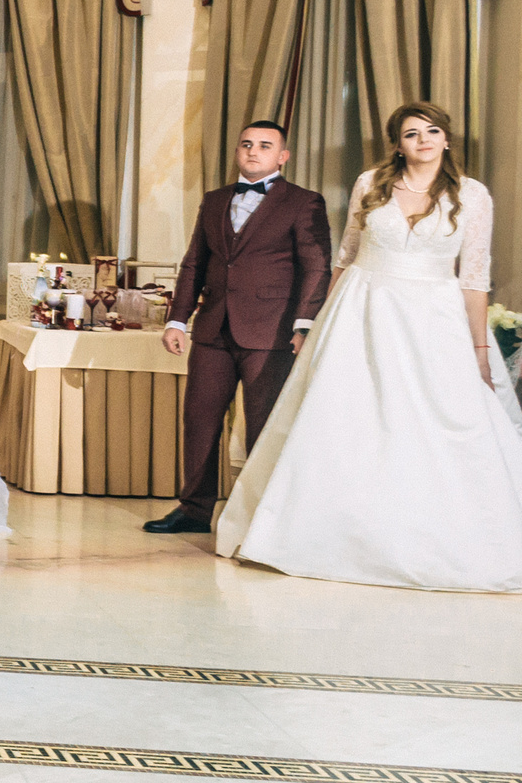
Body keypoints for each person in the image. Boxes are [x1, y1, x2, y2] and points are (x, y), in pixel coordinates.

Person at [216, 101, 522, 591]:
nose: (422, 140)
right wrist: (318, 327)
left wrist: (480, 353)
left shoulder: (473, 195)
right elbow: (346, 258)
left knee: (440, 424)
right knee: (348, 420)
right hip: (362, 314)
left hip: (434, 322)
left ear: (446, 139)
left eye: (431, 131)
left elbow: (474, 278)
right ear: (397, 144)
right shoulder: (370, 184)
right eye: (410, 133)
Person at [147, 120, 332, 534]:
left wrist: (304, 324)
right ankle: (193, 510)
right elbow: (195, 262)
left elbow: (316, 266)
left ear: (282, 156)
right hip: (213, 330)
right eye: (246, 144)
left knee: (264, 423)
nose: (253, 151)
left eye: (265, 146)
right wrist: (178, 319)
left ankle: (262, 515)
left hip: (273, 332)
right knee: (199, 420)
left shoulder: (304, 202)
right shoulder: (214, 200)